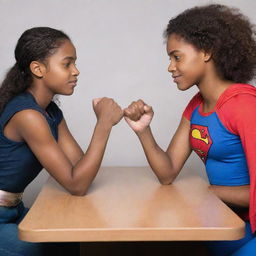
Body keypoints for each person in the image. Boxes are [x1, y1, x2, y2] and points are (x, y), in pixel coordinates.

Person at [124, 4, 256, 256]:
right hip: (218, 229)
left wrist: (208, 192)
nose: (170, 67)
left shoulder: (245, 105)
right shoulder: (196, 106)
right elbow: (168, 171)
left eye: (177, 57)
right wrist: (143, 130)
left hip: (248, 235)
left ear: (206, 52)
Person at [0, 27, 123, 255]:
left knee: (67, 238)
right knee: (36, 250)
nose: (76, 71)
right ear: (38, 68)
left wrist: (103, 124)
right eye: (67, 64)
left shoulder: (51, 112)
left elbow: (79, 170)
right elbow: (77, 185)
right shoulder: (29, 116)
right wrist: (103, 125)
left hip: (13, 209)